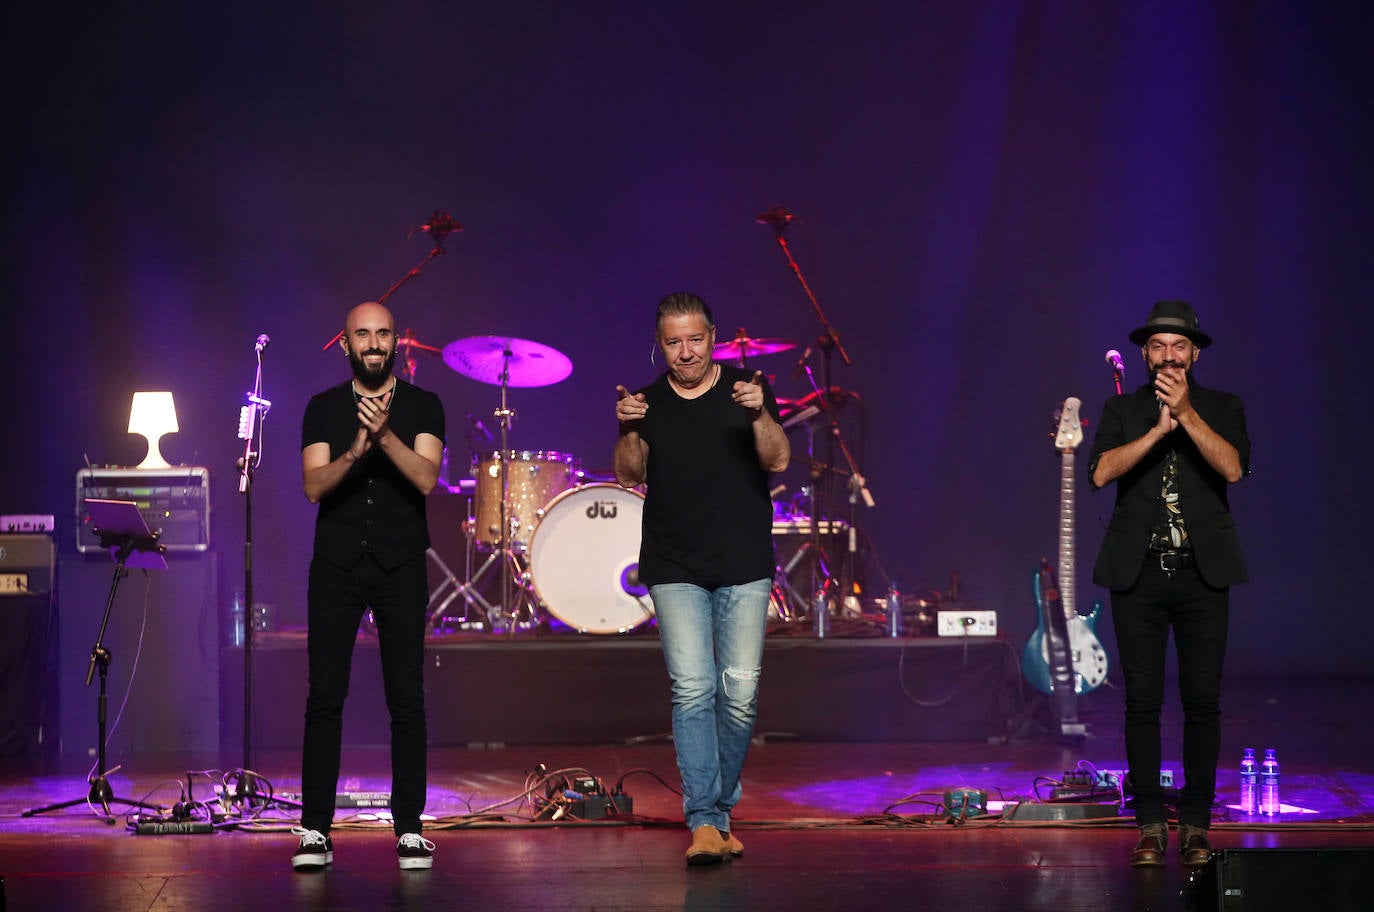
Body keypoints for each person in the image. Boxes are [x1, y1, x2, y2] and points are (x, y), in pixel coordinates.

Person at [613, 291, 790, 865]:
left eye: (695, 339)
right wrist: (628, 428)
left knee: (739, 694)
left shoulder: (747, 390)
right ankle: (706, 821)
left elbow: (778, 460)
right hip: (674, 564)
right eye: (674, 342)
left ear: (714, 337)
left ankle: (718, 808)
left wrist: (760, 413)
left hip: (743, 562)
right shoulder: (646, 402)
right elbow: (629, 475)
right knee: (693, 689)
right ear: (659, 345)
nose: (686, 352)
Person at [1088, 300, 1249, 868]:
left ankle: (1198, 826)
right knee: (1142, 703)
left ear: (1194, 353)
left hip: (1202, 576)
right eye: (1158, 346)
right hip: (1138, 577)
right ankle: (1151, 825)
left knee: (1203, 702)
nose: (1169, 355)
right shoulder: (1122, 408)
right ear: (1144, 355)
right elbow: (1100, 472)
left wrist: (1187, 416)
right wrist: (1158, 430)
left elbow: (1233, 468)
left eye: (1179, 346)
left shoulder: (1224, 406)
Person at [293, 301, 445, 871]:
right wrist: (357, 448)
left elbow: (425, 477)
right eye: (363, 334)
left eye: (383, 333)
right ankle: (315, 828)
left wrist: (384, 437)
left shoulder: (425, 404)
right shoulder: (322, 407)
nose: (374, 343)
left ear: (396, 342)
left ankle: (409, 828)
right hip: (335, 565)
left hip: (400, 564)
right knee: (324, 696)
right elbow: (314, 486)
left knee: (406, 697)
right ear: (346, 344)